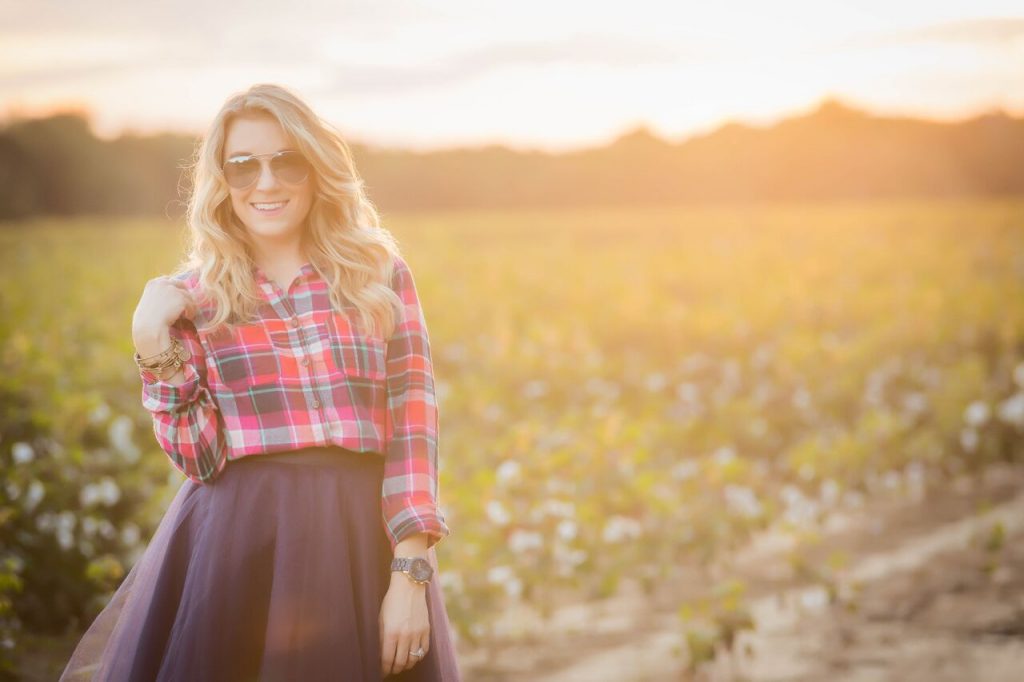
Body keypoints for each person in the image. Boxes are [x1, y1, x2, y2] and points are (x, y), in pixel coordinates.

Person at [59, 83, 461, 681]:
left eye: (285, 161)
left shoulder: (377, 274)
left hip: (358, 543)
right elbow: (199, 458)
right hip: (237, 550)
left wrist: (410, 572)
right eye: (243, 166)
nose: (265, 183)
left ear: (316, 168)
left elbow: (413, 422)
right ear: (220, 179)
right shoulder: (192, 299)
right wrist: (151, 342)